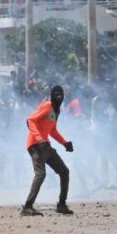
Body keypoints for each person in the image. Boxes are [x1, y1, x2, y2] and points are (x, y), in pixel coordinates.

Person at [22, 86, 74, 216]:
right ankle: (27, 207)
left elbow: (52, 130)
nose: (59, 97)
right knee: (41, 174)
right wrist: (39, 138)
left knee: (64, 171)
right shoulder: (47, 105)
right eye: (57, 95)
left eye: (61, 95)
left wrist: (65, 143)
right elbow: (30, 120)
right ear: (52, 96)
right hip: (35, 145)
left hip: (45, 146)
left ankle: (61, 205)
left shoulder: (57, 111)